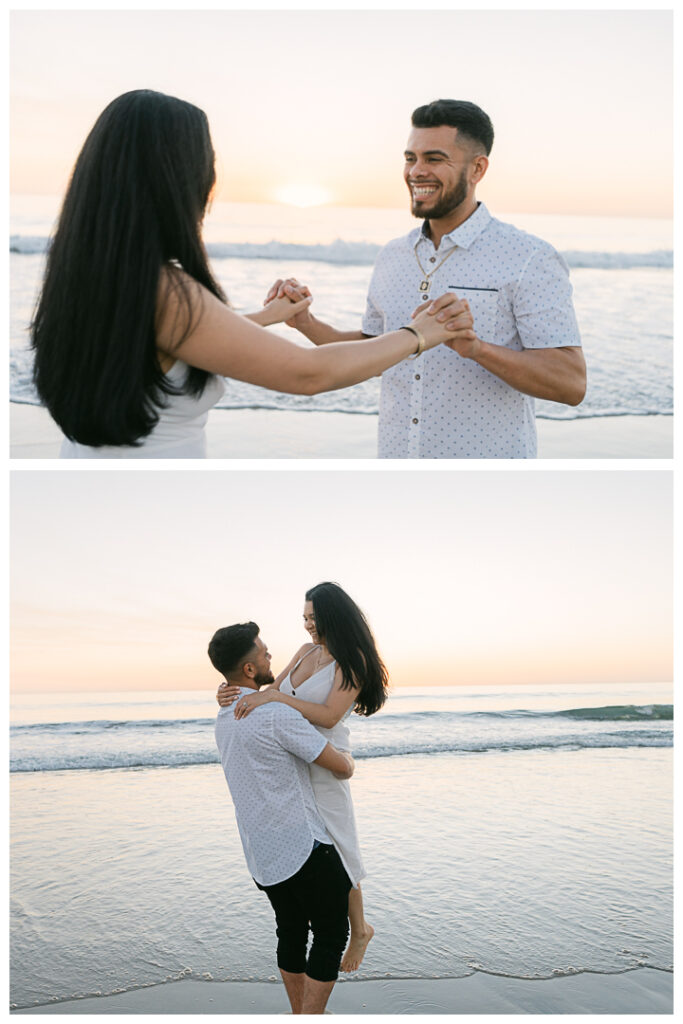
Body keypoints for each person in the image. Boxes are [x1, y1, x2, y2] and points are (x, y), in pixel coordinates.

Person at [30, 89, 473, 458]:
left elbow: (167, 347)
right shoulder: (166, 289)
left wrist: (269, 318)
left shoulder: (87, 273)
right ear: (175, 177)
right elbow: (307, 373)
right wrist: (418, 333)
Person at [268, 98, 587, 459]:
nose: (416, 171)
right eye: (410, 158)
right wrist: (304, 322)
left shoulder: (528, 256)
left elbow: (571, 383)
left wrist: (477, 349)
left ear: (477, 169)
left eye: (434, 159)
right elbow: (372, 351)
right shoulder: (392, 256)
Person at [217, 582, 387, 974]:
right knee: (317, 846)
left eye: (314, 617)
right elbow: (266, 693)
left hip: (325, 757)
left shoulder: (353, 659)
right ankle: (348, 925)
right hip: (292, 756)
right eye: (305, 618)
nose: (309, 625)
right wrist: (229, 693)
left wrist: (277, 699)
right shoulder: (305, 652)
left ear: (334, 616)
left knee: (339, 843)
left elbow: (328, 715)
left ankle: (359, 929)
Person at [211, 621, 355, 1014]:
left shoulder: (222, 719)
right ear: (250, 670)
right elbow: (338, 767)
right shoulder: (275, 714)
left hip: (261, 853)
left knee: (291, 931)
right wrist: (349, 760)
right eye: (263, 652)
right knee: (330, 933)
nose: (270, 655)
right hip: (302, 845)